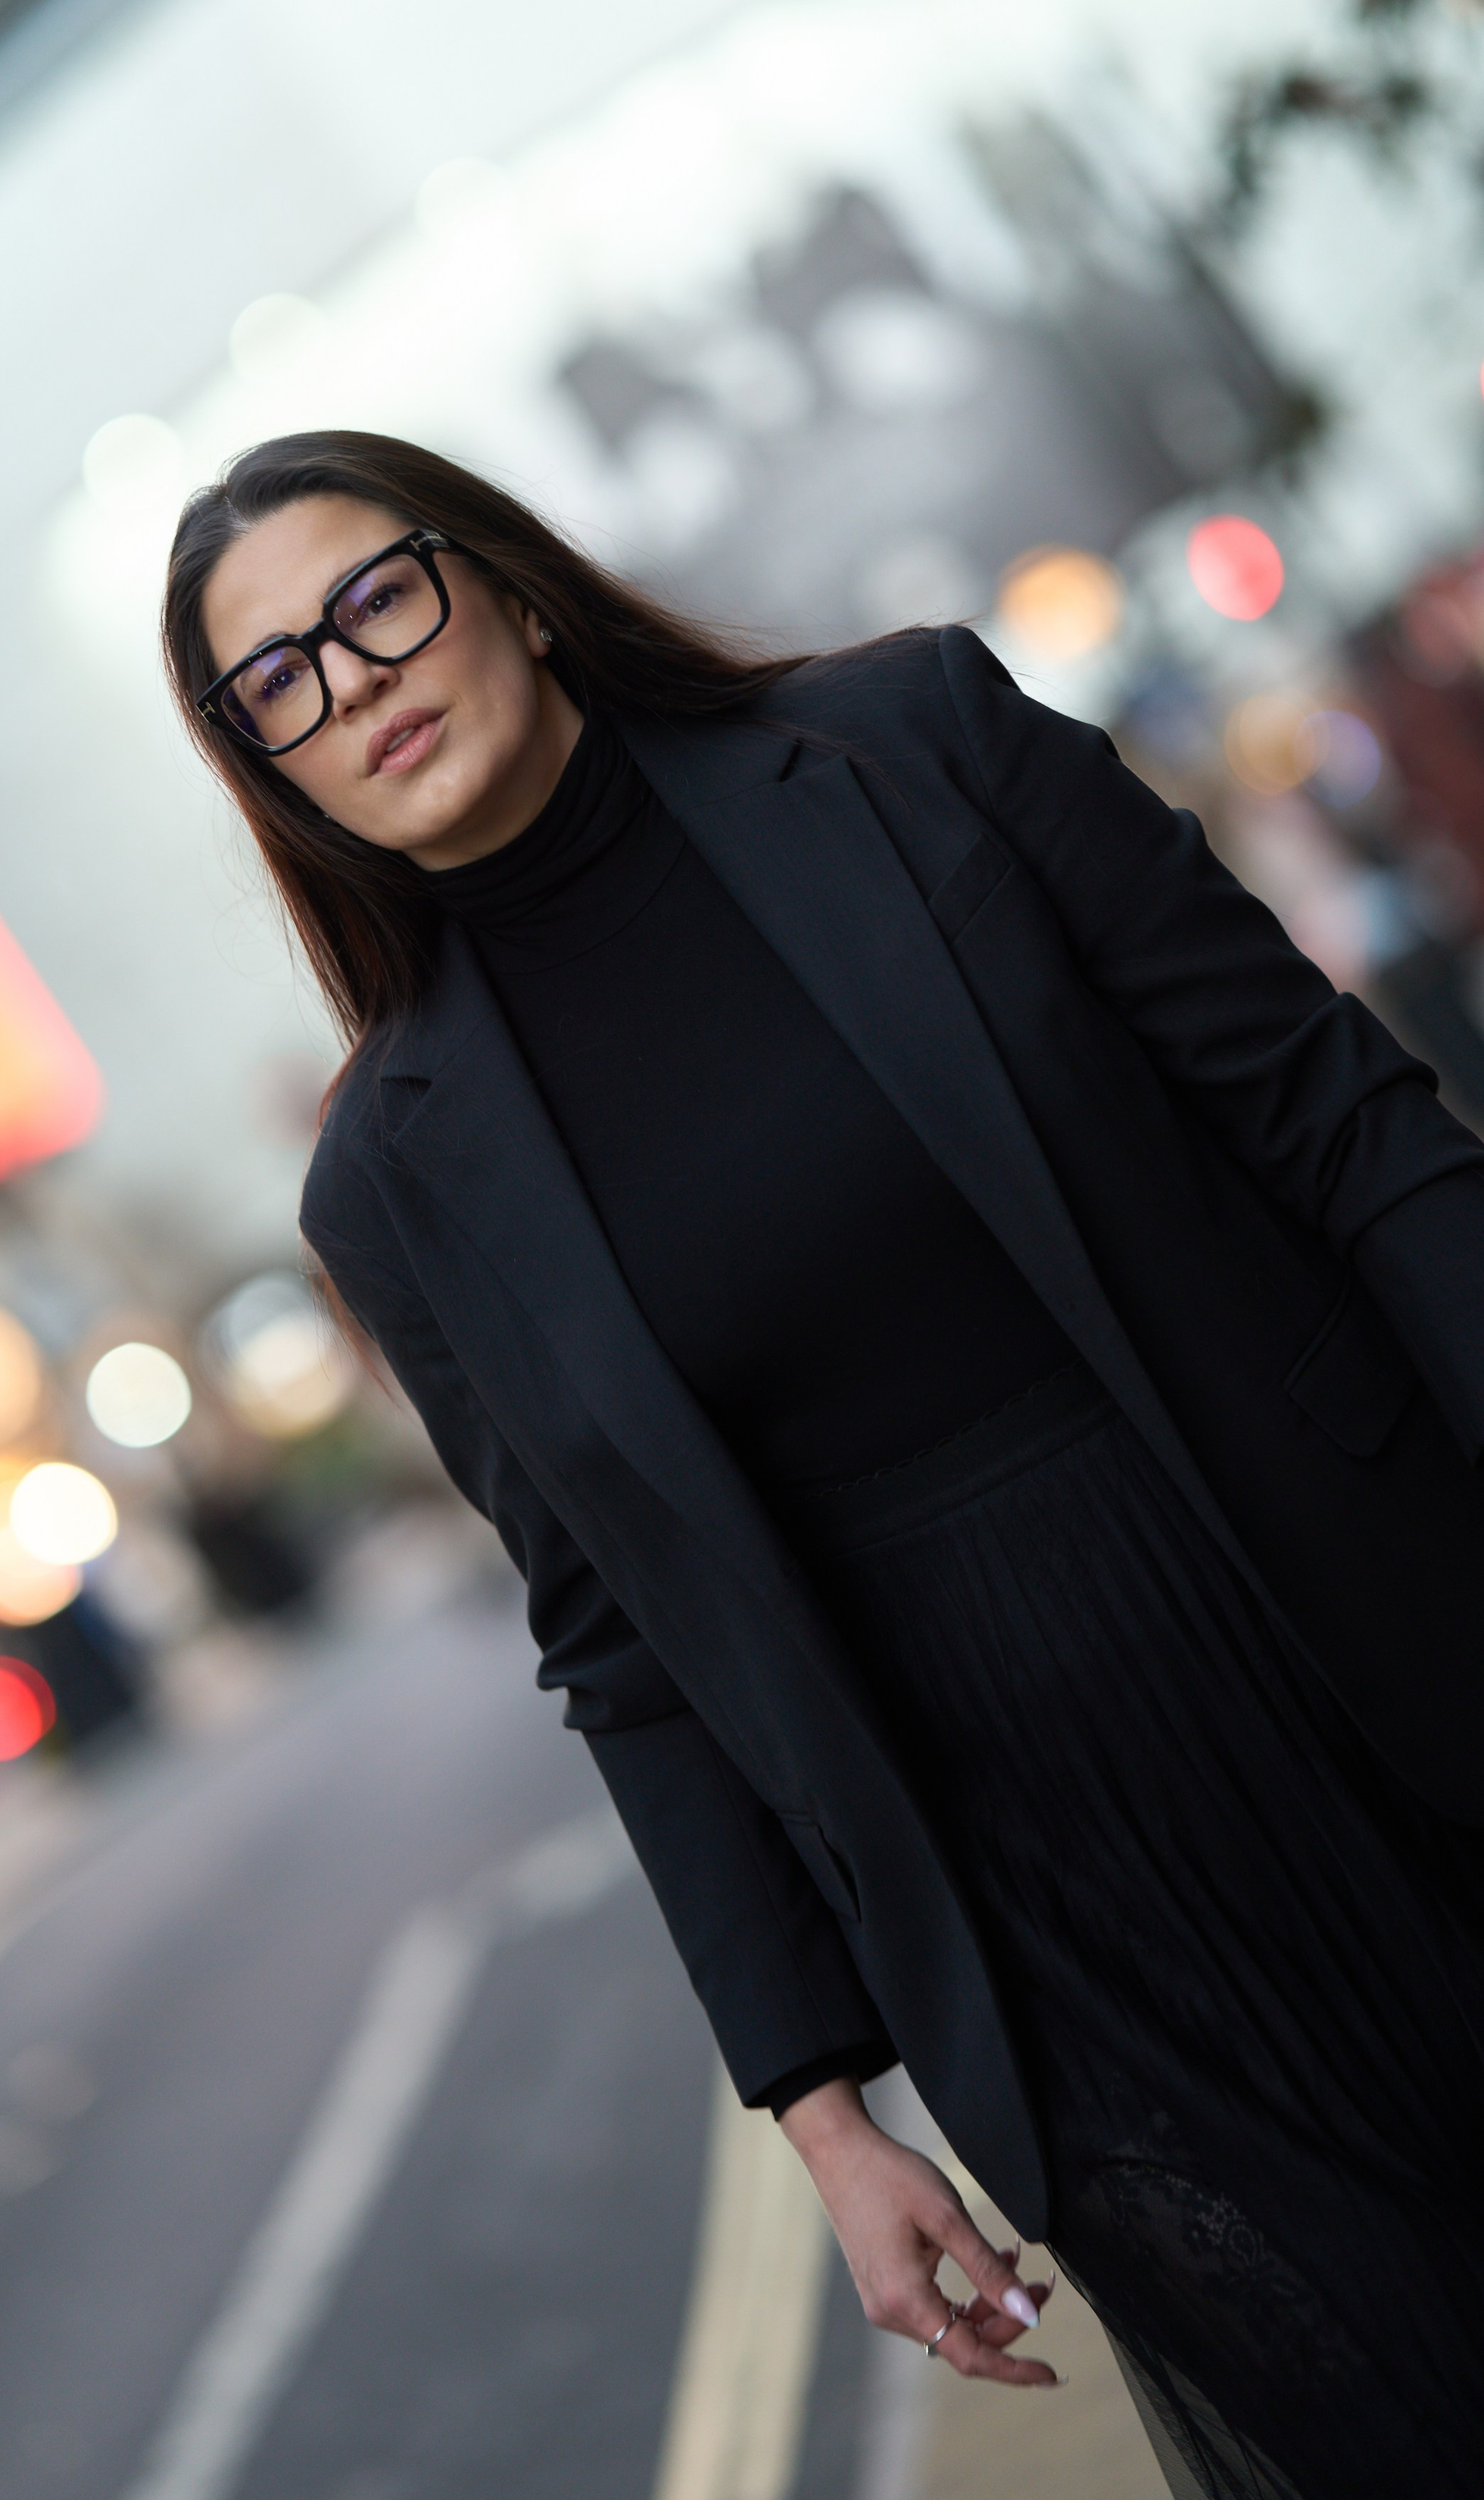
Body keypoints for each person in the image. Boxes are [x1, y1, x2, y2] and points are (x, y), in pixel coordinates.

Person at [163, 429, 1484, 2499]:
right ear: (277, 774)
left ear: (502, 580)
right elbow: (624, 1644)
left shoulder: (908, 740)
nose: (356, 680)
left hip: (1374, 1625)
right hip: (1061, 1921)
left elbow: (1334, 1119)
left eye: (378, 601)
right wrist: (823, 2106)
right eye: (282, 686)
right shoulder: (397, 1183)